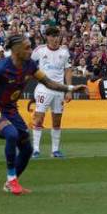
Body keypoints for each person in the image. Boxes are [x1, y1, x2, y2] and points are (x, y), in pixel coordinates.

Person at [0, 34, 86, 195]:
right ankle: (11, 180)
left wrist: (71, 88)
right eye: (27, 47)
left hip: (11, 110)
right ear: (16, 50)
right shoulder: (2, 66)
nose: (31, 50)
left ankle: (11, 181)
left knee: (27, 149)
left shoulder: (29, 65)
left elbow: (49, 83)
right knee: (11, 134)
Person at [31, 26, 72, 158]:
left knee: (57, 120)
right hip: (44, 89)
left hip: (59, 90)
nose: (55, 39)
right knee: (39, 118)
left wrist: (69, 89)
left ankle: (55, 150)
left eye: (57, 36)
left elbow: (68, 70)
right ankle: (35, 149)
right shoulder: (40, 50)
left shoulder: (64, 52)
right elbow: (29, 64)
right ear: (47, 37)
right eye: (53, 36)